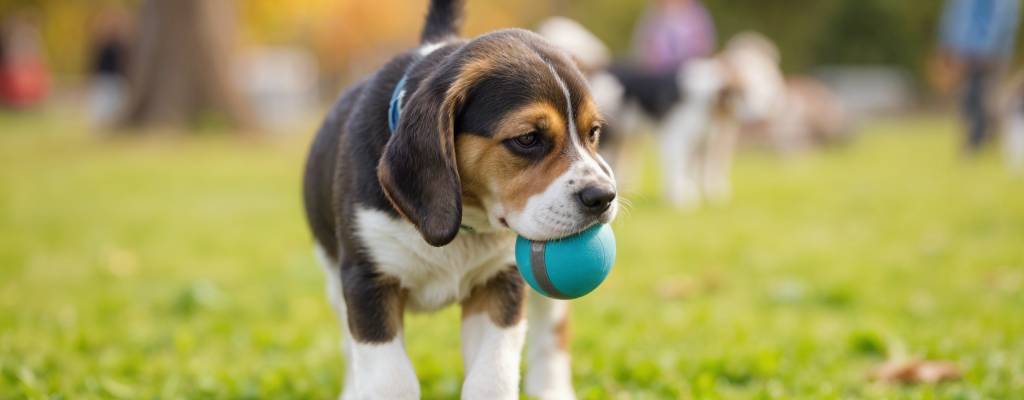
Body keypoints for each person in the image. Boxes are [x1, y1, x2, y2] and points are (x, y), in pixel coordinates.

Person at [939, 0, 1021, 152]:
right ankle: (976, 140)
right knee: (969, 98)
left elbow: (1002, 16)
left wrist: (988, 48)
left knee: (986, 97)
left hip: (988, 53)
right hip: (966, 52)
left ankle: (985, 140)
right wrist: (949, 45)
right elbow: (956, 17)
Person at [631, 0, 716, 73]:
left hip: (689, 73)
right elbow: (643, 50)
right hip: (659, 75)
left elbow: (704, 48)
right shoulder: (652, 17)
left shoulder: (697, 16)